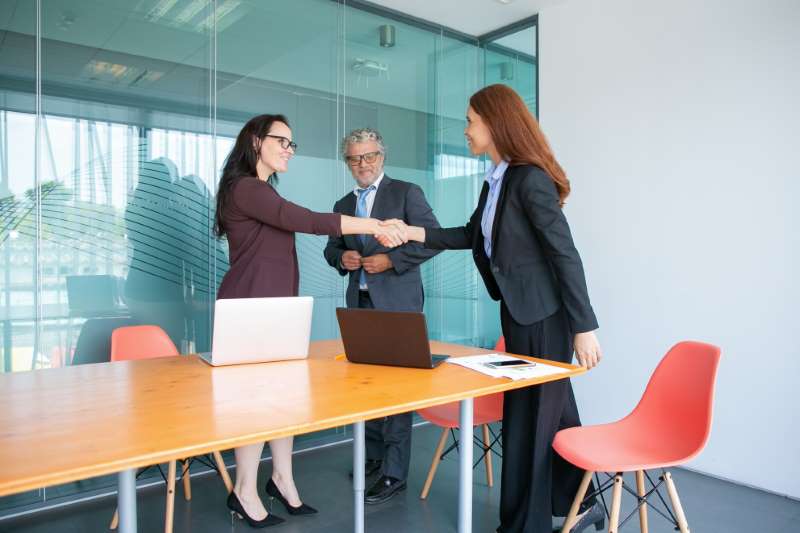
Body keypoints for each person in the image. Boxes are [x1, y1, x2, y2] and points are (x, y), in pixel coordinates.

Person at [385, 85, 605, 533]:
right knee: (553, 413)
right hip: (519, 314)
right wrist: (412, 232)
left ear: (494, 121)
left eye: (470, 120)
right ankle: (584, 504)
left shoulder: (529, 179)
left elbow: (565, 253)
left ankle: (526, 525)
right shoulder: (497, 180)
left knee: (530, 420)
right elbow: (470, 235)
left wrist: (584, 326)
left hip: (545, 318)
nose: (465, 130)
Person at [214, 114, 404, 528]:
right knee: (254, 405)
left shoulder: (262, 190)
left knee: (281, 401)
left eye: (291, 144)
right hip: (249, 309)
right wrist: (374, 224)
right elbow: (308, 220)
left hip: (278, 309)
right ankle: (244, 490)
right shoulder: (245, 188)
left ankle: (281, 478)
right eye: (281, 141)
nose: (288, 149)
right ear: (255, 141)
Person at [323, 128, 440, 505]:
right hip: (360, 308)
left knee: (400, 389)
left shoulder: (406, 193)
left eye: (369, 156)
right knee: (366, 386)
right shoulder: (342, 202)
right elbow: (331, 247)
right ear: (347, 163)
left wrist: (392, 260)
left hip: (398, 306)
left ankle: (394, 472)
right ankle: (373, 458)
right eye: (355, 158)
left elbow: (432, 238)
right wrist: (342, 258)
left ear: (382, 157)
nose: (363, 164)